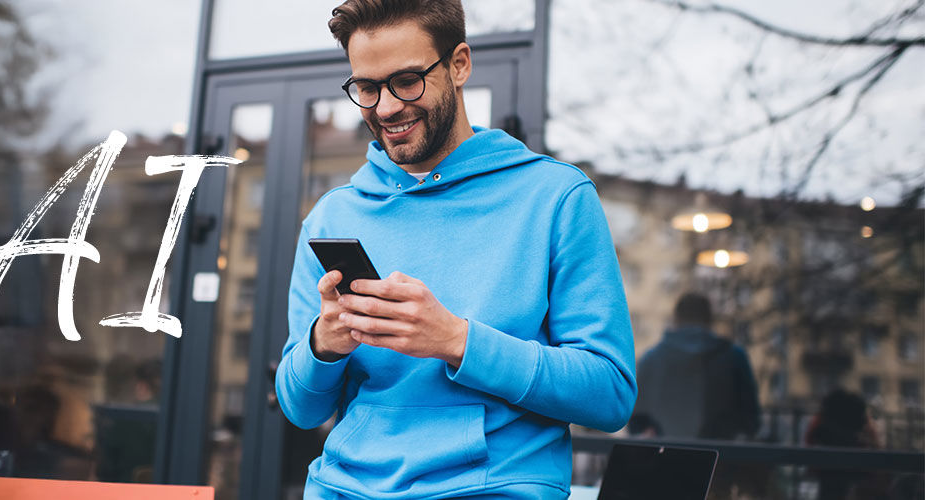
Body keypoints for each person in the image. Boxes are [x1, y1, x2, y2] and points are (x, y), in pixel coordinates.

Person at [274, 1, 637, 497]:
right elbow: (300, 408)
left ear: (459, 64)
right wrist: (324, 344)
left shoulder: (556, 198)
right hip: (342, 487)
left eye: (406, 81)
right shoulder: (334, 215)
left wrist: (457, 341)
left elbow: (610, 394)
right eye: (367, 87)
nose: (385, 108)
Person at [632, 293, 761, 441]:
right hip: (722, 458)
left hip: (664, 457)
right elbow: (751, 420)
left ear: (676, 319)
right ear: (709, 320)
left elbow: (637, 421)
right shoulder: (735, 357)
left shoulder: (651, 359)